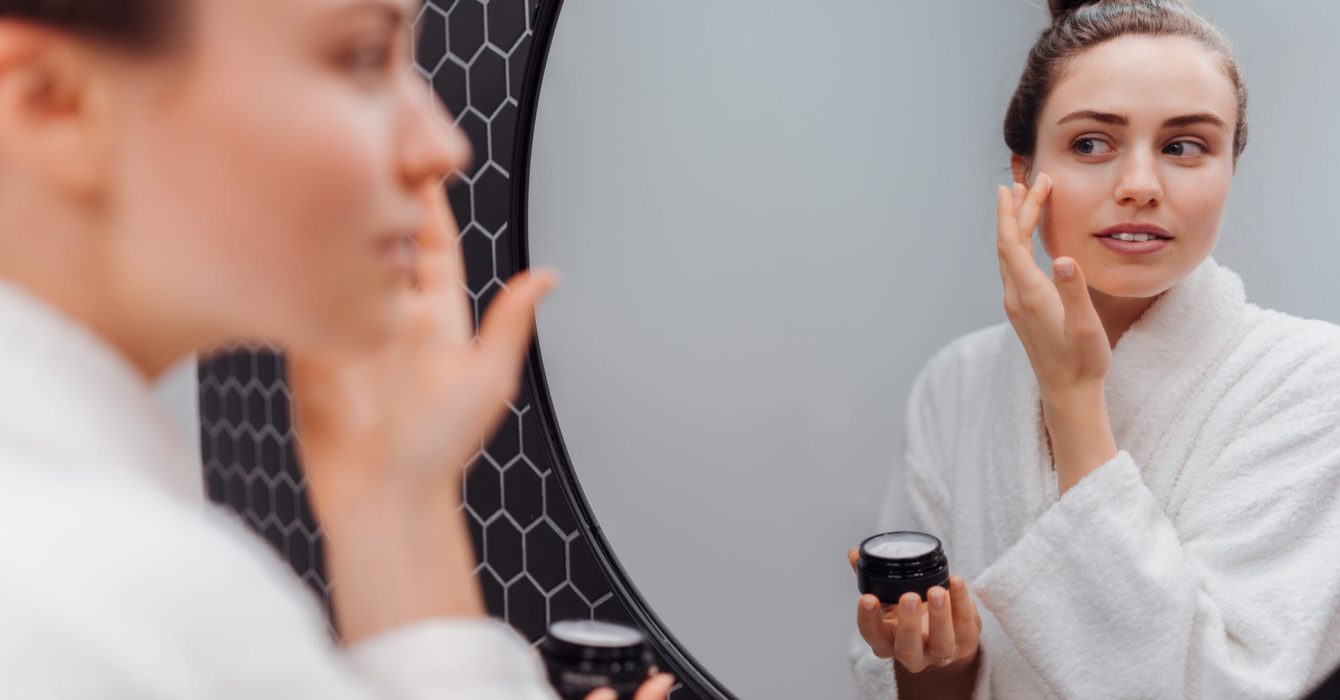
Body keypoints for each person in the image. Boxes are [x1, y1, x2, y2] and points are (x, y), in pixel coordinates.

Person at [0, 0, 674, 698]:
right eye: (361, 57)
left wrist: (397, 497)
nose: (443, 146)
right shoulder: (131, 612)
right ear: (55, 103)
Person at [847, 0, 1340, 697]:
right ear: (1023, 175)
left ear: (1230, 168)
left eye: (1184, 146)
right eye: (1090, 144)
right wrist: (937, 661)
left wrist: (1073, 399)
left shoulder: (1316, 383)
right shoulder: (956, 384)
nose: (1140, 185)